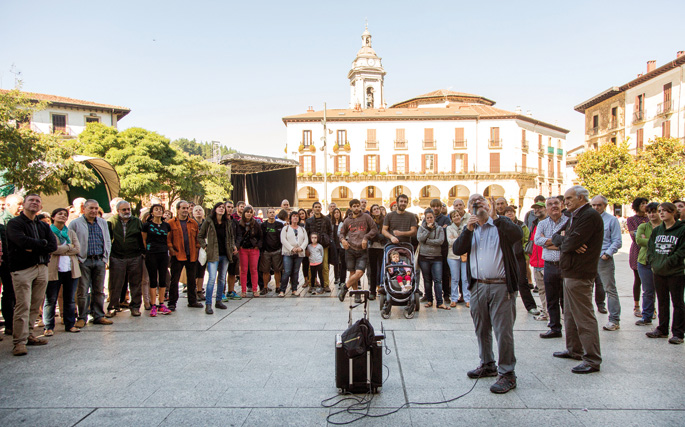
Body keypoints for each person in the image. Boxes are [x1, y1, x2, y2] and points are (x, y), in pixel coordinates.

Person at [452, 194, 522, 394]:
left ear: (489, 205)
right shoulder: (471, 229)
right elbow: (458, 249)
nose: (478, 205)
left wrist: (496, 217)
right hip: (478, 286)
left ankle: (507, 373)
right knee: (481, 328)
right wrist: (468, 229)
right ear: (468, 209)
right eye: (473, 203)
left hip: (501, 286)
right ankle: (487, 364)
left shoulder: (502, 224)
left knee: (503, 331)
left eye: (481, 201)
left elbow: (517, 235)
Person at [550, 185, 604, 374]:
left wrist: (569, 242)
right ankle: (574, 349)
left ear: (581, 198)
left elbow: (570, 242)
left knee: (583, 316)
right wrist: (568, 241)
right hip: (569, 270)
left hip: (580, 272)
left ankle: (592, 358)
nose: (566, 202)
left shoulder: (589, 216)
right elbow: (556, 236)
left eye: (569, 198)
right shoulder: (574, 216)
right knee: (571, 314)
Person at [6, 194, 58, 355]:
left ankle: (29, 335)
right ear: (23, 205)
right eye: (31, 200)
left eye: (38, 201)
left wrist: (37, 245)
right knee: (23, 306)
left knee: (35, 305)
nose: (35, 203)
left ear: (41, 206)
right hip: (22, 269)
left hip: (41, 267)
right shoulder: (14, 224)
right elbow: (21, 242)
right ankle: (19, 342)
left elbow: (52, 245)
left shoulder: (43, 226)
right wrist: (41, 244)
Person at [69, 199, 113, 327]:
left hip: (99, 260)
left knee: (99, 290)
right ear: (84, 209)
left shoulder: (102, 223)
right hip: (83, 260)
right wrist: (77, 258)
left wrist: (105, 258)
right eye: (91, 208)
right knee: (82, 291)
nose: (94, 211)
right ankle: (82, 317)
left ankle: (99, 315)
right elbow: (71, 240)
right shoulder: (75, 223)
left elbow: (107, 240)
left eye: (96, 208)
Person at [646, 202, 685, 344]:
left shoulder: (681, 230)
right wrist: (653, 261)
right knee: (662, 301)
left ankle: (678, 333)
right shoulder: (657, 231)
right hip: (658, 271)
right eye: (660, 210)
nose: (661, 213)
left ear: (673, 212)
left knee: (678, 302)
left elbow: (681, 251)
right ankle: (662, 329)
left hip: (675, 272)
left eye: (665, 211)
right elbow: (650, 248)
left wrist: (667, 262)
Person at [535, 196, 568, 339]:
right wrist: (557, 242)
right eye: (550, 204)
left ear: (561, 205)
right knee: (551, 298)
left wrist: (548, 242)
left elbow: (568, 241)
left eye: (556, 203)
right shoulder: (542, 224)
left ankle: (570, 328)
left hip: (565, 265)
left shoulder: (568, 222)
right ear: (546, 208)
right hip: (549, 266)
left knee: (566, 299)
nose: (554, 206)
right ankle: (555, 328)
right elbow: (537, 240)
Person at [43, 208, 81, 336]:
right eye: (60, 214)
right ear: (53, 217)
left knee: (69, 299)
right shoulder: (48, 232)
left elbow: (77, 249)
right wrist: (68, 247)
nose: (63, 216)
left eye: (65, 215)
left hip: (70, 269)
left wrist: (62, 249)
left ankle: (70, 324)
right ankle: (48, 326)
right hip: (54, 270)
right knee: (51, 299)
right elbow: (50, 248)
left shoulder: (70, 232)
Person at [106, 200, 145, 318]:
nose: (127, 211)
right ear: (118, 211)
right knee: (115, 284)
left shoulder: (136, 221)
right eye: (124, 210)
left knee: (136, 283)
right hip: (117, 257)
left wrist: (142, 253)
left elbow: (141, 238)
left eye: (128, 209)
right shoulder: (111, 222)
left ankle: (135, 307)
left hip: (134, 256)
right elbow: (108, 239)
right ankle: (112, 307)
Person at [590, 195, 622, 331]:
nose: (596, 207)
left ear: (605, 206)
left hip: (604, 258)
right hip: (588, 259)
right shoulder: (588, 219)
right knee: (586, 289)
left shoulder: (612, 220)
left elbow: (617, 240)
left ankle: (614, 319)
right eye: (594, 205)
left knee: (610, 289)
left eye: (599, 205)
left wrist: (607, 254)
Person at [198, 202, 235, 314]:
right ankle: (208, 304)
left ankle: (218, 301)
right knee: (212, 279)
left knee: (222, 278)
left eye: (223, 208)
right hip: (213, 254)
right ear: (215, 209)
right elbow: (200, 236)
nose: (221, 209)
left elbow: (231, 236)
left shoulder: (227, 222)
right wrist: (205, 247)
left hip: (225, 254)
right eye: (219, 207)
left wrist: (232, 246)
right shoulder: (208, 221)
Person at [338, 199, 377, 304]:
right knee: (352, 272)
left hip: (362, 250)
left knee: (359, 272)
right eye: (354, 206)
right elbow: (341, 233)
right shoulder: (347, 220)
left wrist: (366, 237)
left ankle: (345, 287)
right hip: (350, 249)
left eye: (357, 206)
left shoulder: (366, 217)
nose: (356, 208)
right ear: (350, 207)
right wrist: (343, 240)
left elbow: (374, 229)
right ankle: (356, 294)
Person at [167, 200, 203, 310]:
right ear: (177, 209)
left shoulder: (193, 223)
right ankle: (172, 303)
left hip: (191, 255)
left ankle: (192, 301)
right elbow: (168, 239)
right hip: (177, 255)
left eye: (187, 208)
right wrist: (172, 250)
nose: (185, 210)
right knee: (174, 280)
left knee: (192, 280)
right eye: (183, 208)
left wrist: (197, 248)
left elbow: (198, 238)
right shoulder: (171, 223)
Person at [504, 206, 540, 316]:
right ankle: (505, 307)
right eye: (507, 212)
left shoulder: (521, 225)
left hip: (519, 256)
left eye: (511, 212)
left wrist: (524, 252)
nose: (509, 214)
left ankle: (531, 306)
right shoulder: (501, 224)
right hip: (505, 257)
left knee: (522, 282)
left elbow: (527, 239)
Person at [141, 204, 172, 317]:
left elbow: (167, 238)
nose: (159, 211)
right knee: (153, 279)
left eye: (160, 210)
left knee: (163, 279)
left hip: (163, 253)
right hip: (151, 253)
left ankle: (162, 303)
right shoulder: (147, 225)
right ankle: (153, 304)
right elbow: (144, 239)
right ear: (152, 212)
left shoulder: (166, 225)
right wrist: (148, 250)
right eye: (156, 209)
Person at [635, 202, 661, 326]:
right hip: (644, 262)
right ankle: (647, 317)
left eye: (654, 211)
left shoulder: (665, 226)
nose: (651, 214)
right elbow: (639, 240)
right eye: (649, 212)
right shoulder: (643, 226)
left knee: (662, 291)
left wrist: (649, 240)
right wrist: (657, 241)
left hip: (662, 262)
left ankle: (663, 319)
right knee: (648, 291)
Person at [418, 208, 449, 310]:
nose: (430, 220)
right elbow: (420, 239)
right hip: (424, 257)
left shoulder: (439, 228)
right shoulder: (422, 228)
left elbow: (440, 241)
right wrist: (428, 230)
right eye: (428, 218)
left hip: (437, 258)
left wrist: (427, 241)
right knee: (427, 280)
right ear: (425, 219)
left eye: (431, 218)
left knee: (438, 280)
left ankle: (440, 302)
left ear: (434, 218)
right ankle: (429, 300)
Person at [627, 197, 649, 318]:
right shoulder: (631, 219)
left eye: (646, 203)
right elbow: (636, 237)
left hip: (650, 252)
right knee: (638, 279)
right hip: (637, 251)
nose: (645, 206)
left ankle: (650, 306)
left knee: (651, 281)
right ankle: (636, 306)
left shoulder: (649, 218)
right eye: (642, 204)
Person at [305, 202, 334, 293]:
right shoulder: (309, 221)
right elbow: (306, 234)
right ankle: (312, 285)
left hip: (323, 245)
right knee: (311, 266)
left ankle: (325, 285)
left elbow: (330, 231)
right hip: (312, 246)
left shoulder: (326, 219)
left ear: (321, 208)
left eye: (319, 207)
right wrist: (306, 247)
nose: (317, 208)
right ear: (313, 208)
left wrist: (329, 241)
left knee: (325, 266)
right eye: (316, 207)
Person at [236, 205, 263, 298]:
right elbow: (237, 236)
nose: (248, 214)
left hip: (253, 249)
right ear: (244, 213)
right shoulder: (239, 224)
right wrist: (238, 246)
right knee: (243, 270)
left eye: (250, 212)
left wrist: (257, 246)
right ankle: (243, 290)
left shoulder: (256, 224)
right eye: (247, 212)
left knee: (254, 270)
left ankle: (255, 289)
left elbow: (260, 237)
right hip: (243, 249)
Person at [279, 211, 308, 297]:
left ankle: (294, 289)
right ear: (290, 218)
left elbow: (306, 240)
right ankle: (282, 290)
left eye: (297, 216)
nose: (295, 218)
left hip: (299, 253)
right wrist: (291, 248)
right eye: (294, 216)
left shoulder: (302, 229)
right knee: (287, 271)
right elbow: (283, 239)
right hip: (288, 253)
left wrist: (301, 248)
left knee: (296, 272)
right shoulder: (286, 228)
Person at [528, 202, 548, 320]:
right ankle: (545, 312)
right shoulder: (534, 224)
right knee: (541, 289)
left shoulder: (548, 223)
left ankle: (551, 313)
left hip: (546, 261)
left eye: (539, 208)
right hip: (536, 262)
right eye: (535, 209)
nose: (537, 210)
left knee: (549, 290)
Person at [446, 210, 470, 308]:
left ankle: (467, 298)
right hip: (453, 256)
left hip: (464, 255)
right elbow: (450, 241)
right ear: (451, 219)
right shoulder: (449, 228)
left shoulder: (465, 227)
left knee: (465, 279)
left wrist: (456, 238)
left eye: (458, 215)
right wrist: (460, 238)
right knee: (455, 278)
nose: (456, 217)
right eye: (454, 216)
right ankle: (454, 299)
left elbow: (467, 240)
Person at [260, 207, 284, 293]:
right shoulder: (263, 225)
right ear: (267, 214)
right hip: (266, 251)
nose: (271, 214)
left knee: (277, 270)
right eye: (270, 212)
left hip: (277, 250)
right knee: (265, 270)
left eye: (273, 212)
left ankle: (278, 287)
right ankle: (265, 287)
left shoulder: (279, 225)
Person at [366, 204, 386, 300]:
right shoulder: (369, 221)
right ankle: (372, 291)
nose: (377, 210)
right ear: (372, 212)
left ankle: (383, 288)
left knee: (383, 269)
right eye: (374, 209)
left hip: (382, 247)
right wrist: (377, 236)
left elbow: (387, 232)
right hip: (372, 247)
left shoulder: (385, 220)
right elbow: (368, 233)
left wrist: (380, 236)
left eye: (378, 208)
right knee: (373, 270)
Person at [222, 201, 241, 301]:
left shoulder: (235, 222)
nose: (230, 209)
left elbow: (239, 235)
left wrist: (236, 247)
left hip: (234, 251)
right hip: (223, 251)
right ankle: (221, 292)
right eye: (228, 207)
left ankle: (231, 291)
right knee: (222, 273)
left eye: (231, 207)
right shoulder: (220, 221)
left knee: (232, 272)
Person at [192, 205, 206, 299]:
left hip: (204, 250)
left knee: (201, 271)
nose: (198, 212)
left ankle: (199, 291)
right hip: (193, 249)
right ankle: (193, 291)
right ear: (193, 213)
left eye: (200, 210)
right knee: (193, 272)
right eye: (196, 210)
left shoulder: (206, 223)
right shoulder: (191, 223)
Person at [331, 208, 347, 287]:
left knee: (341, 262)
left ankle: (341, 278)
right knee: (335, 262)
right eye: (335, 213)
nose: (337, 214)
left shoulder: (343, 223)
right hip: (333, 245)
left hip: (340, 245)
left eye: (338, 212)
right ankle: (336, 277)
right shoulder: (331, 223)